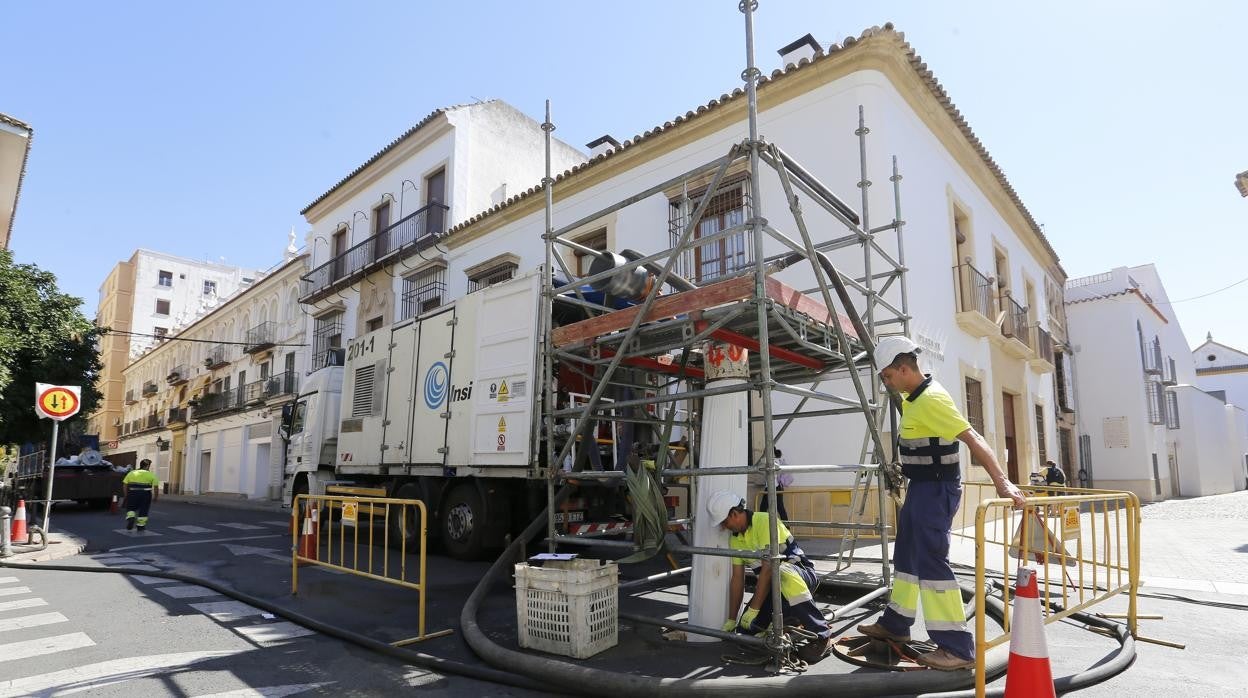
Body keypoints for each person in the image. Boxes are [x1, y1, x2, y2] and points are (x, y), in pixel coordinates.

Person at [857, 336, 1026, 671]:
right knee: (906, 554)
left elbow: (973, 438)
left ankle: (956, 648)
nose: (886, 383)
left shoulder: (931, 399)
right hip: (921, 488)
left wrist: (1002, 482)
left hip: (935, 491)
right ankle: (896, 623)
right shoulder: (915, 399)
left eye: (887, 376)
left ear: (903, 369)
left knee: (932, 563)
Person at [708, 490, 833, 664]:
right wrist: (731, 618)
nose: (723, 527)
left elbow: (768, 569)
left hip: (801, 576)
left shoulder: (765, 521)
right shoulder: (735, 540)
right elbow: (737, 579)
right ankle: (794, 620)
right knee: (746, 633)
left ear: (734, 513)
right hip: (773, 589)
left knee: (781, 572)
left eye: (724, 522)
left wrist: (754, 609)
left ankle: (822, 634)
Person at [122, 459, 159, 531]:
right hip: (145, 495)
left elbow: (125, 484)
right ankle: (140, 526)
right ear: (148, 466)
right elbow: (156, 487)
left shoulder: (131, 473)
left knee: (131, 507)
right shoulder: (151, 475)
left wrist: (126, 494)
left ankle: (131, 518)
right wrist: (155, 497)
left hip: (132, 493)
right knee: (143, 509)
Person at [757, 448, 791, 521]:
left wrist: (763, 456)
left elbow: (759, 466)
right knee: (780, 508)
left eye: (765, 451)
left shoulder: (771, 461)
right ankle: (787, 527)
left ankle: (764, 525)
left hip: (773, 487)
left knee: (764, 508)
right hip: (776, 487)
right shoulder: (776, 461)